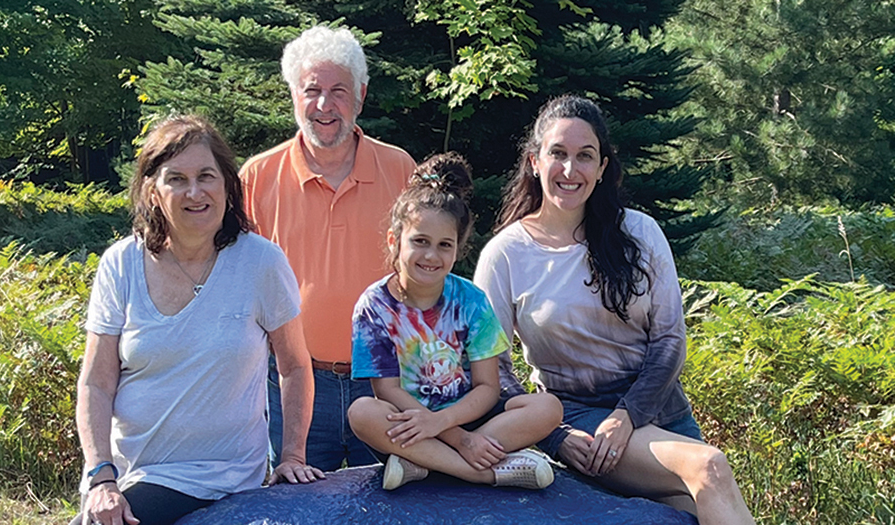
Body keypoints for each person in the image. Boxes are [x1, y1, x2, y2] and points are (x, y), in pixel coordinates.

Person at [473, 96, 756, 524]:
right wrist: (553, 436)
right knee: (709, 466)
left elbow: (669, 340)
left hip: (661, 413)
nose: (571, 170)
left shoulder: (640, 232)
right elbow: (490, 369)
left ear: (603, 167)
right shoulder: (506, 254)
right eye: (558, 154)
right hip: (580, 421)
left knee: (697, 510)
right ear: (534, 161)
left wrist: (628, 415)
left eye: (585, 156)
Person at [74, 115, 322, 525]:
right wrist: (101, 476)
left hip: (224, 476)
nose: (194, 192)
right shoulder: (121, 264)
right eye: (176, 179)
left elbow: (294, 364)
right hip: (131, 475)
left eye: (206, 176)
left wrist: (292, 455)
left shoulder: (260, 261)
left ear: (227, 185)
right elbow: (97, 382)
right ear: (153, 191)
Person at [240, 26, 416, 471]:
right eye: (311, 90)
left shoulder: (400, 170)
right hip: (291, 386)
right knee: (294, 508)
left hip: (384, 384)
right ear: (293, 95)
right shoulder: (256, 178)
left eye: (338, 90)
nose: (324, 105)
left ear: (361, 93)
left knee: (391, 507)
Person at [347, 153, 564, 491]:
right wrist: (457, 440)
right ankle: (479, 472)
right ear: (395, 240)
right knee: (362, 412)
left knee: (547, 407)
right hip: (410, 423)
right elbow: (386, 391)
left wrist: (451, 426)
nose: (431, 256)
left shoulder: (471, 301)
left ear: (459, 249)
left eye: (444, 245)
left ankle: (424, 463)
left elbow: (488, 388)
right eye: (420, 241)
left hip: (468, 416)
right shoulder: (374, 307)